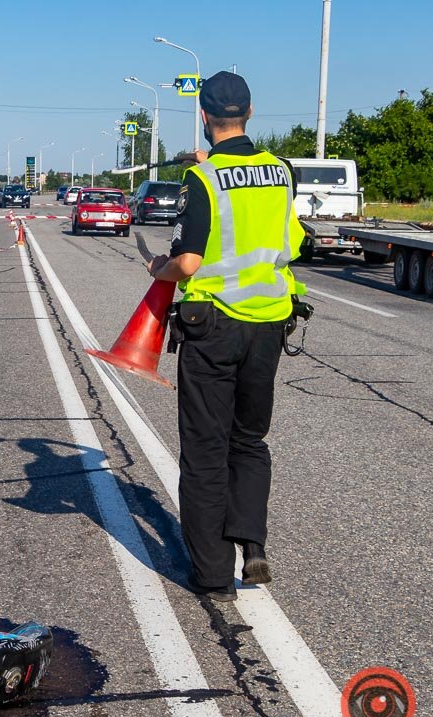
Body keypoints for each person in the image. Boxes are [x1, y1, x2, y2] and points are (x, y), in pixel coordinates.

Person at [144, 71, 306, 603]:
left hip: (213, 325)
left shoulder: (204, 179)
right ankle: (252, 544)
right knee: (250, 440)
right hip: (269, 325)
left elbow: (188, 261)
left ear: (204, 116)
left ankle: (213, 575)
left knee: (206, 450)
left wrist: (156, 267)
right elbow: (285, 238)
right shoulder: (282, 172)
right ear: (252, 112)